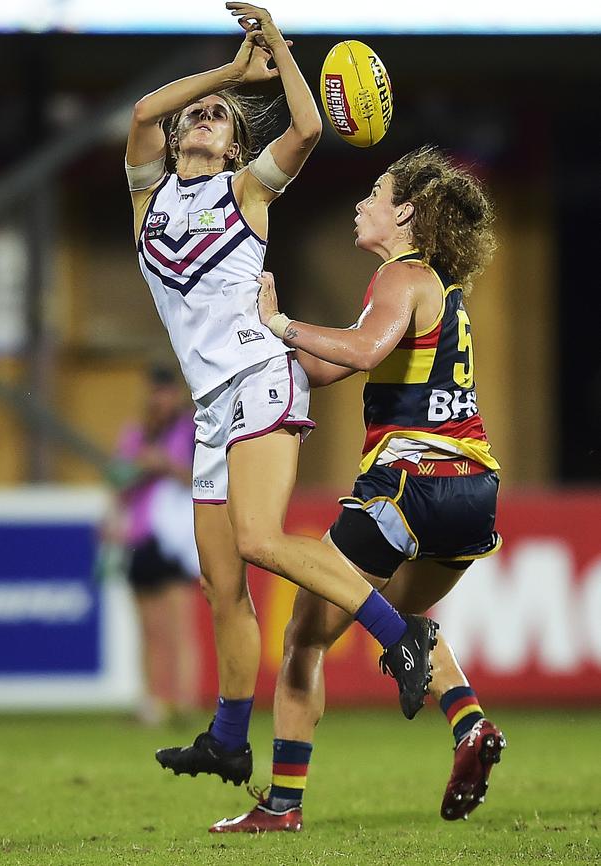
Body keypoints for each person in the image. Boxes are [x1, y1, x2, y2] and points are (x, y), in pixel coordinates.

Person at [126, 2, 437, 791]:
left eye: (219, 116)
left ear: (235, 143)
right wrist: (230, 73)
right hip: (208, 408)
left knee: (260, 542)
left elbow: (304, 126)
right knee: (220, 584)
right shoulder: (148, 200)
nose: (200, 118)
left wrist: (273, 47)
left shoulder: (247, 193)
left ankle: (401, 639)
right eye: (192, 113)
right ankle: (229, 740)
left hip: (261, 375)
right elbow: (139, 112)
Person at [209, 145, 507, 832]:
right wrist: (262, 349)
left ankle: (282, 806)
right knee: (404, 627)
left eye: (375, 192)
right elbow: (329, 366)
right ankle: (469, 724)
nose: (360, 203)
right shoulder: (436, 291)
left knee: (307, 637)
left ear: (404, 212)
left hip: (409, 485)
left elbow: (363, 349)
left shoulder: (401, 278)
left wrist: (281, 324)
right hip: (471, 492)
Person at [102, 364, 201, 725]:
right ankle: (152, 702)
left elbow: (202, 479)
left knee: (179, 626)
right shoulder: (136, 433)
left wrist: (165, 465)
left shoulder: (189, 429)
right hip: (139, 536)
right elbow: (117, 479)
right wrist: (112, 518)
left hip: (174, 538)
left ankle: (185, 702)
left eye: (163, 391)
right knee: (148, 628)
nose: (157, 399)